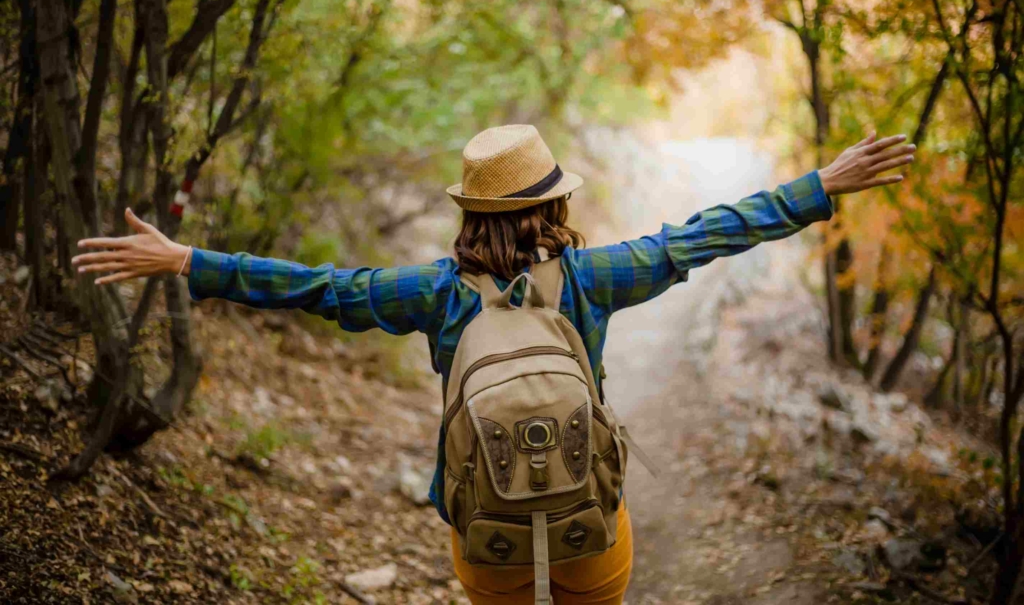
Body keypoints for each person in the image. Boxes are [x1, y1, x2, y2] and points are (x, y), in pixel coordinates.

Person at [72, 125, 915, 603]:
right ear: (555, 203)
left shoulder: (433, 293)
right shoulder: (594, 276)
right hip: (589, 516)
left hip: (484, 528)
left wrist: (188, 260)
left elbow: (316, 287)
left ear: (471, 211)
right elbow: (703, 235)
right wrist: (819, 186)